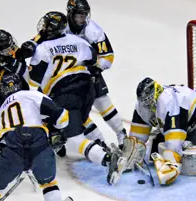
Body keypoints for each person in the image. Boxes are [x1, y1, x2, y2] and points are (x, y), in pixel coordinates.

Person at [28, 11, 125, 185]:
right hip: (87, 89)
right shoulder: (79, 41)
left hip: (65, 93)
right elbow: (93, 58)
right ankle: (101, 143)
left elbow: (33, 79)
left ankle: (108, 158)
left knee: (74, 138)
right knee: (82, 118)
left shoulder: (42, 48)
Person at [21, 0, 127, 147]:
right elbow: (38, 39)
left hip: (86, 70)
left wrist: (97, 69)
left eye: (84, 15)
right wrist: (29, 47)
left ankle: (122, 134)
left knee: (102, 101)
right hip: (64, 76)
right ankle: (99, 142)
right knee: (77, 111)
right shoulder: (60, 26)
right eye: (78, 16)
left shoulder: (93, 30)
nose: (82, 19)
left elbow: (107, 55)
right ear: (70, 13)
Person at [116, 77, 196, 185]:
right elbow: (137, 138)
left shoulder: (168, 102)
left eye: (149, 101)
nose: (147, 105)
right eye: (145, 102)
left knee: (184, 154)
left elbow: (174, 143)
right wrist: (129, 154)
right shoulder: (141, 107)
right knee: (155, 151)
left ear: (156, 93)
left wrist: (171, 167)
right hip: (188, 123)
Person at [0, 74, 71, 201]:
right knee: (49, 184)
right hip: (39, 141)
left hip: (13, 144)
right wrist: (55, 131)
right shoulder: (33, 95)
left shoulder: (2, 109)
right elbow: (62, 116)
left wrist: (18, 161)